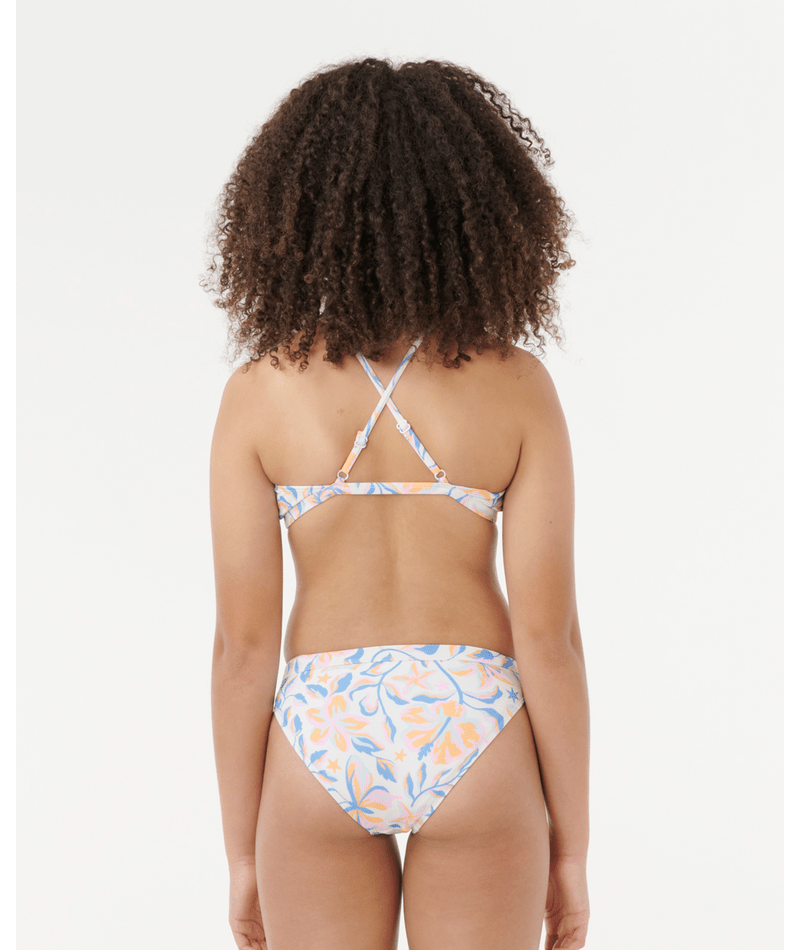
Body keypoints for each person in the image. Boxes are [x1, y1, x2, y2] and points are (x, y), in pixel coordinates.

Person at [205, 56, 590, 950]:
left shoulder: (260, 394)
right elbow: (549, 641)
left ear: (296, 211)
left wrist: (242, 855)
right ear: (477, 210)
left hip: (321, 730)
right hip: (475, 724)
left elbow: (242, 651)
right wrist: (571, 849)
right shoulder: (516, 386)